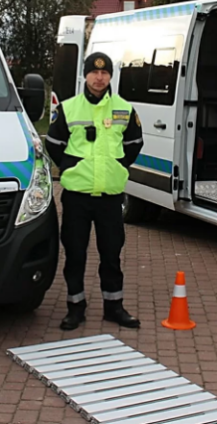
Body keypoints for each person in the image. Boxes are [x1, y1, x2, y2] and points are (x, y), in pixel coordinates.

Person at [45, 52, 144, 331]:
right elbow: (53, 143)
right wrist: (69, 166)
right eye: (94, 72)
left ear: (110, 76)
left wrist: (118, 165)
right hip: (77, 196)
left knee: (111, 254)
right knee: (75, 253)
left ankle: (114, 307)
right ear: (85, 75)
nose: (99, 78)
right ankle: (75, 308)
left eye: (104, 73)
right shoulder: (68, 108)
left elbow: (135, 143)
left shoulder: (125, 109)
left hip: (110, 198)